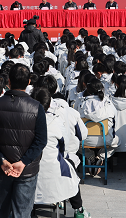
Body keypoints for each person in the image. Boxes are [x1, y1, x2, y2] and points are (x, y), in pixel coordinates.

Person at [0, 64, 47, 218]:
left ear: (8, 81)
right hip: (26, 169)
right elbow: (41, 141)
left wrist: (1, 160)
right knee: (22, 213)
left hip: (4, 168)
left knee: (0, 210)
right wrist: (23, 162)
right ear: (28, 82)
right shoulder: (37, 107)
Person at [31, 88, 88, 218]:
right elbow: (64, 146)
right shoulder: (55, 121)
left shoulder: (25, 120)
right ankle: (79, 209)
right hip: (53, 168)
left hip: (29, 169)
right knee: (72, 176)